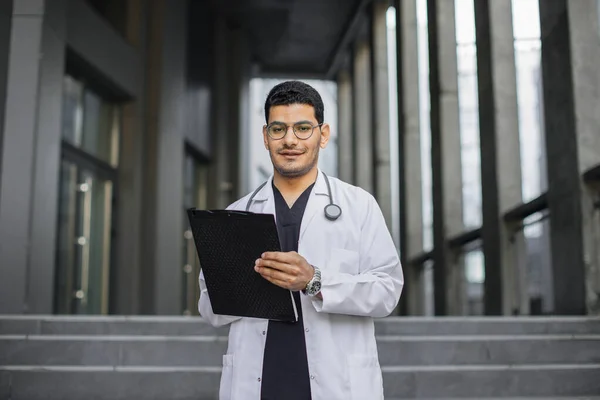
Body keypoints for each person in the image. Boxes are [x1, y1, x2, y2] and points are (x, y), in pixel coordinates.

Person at [199, 80, 404, 400]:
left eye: (303, 128)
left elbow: (387, 290)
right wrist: (243, 286)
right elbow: (209, 309)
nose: (290, 140)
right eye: (278, 129)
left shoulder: (358, 205)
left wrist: (315, 281)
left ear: (323, 135)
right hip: (259, 382)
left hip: (337, 385)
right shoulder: (237, 213)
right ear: (266, 137)